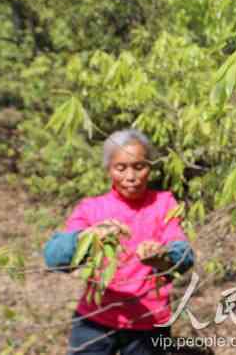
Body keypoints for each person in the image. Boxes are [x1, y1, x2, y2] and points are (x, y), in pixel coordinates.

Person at [43, 129, 195, 355]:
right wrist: (88, 238)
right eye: (121, 168)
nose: (131, 177)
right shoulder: (92, 208)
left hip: (149, 321)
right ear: (109, 170)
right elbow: (55, 257)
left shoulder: (164, 203)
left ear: (150, 167)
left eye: (139, 166)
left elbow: (183, 255)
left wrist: (162, 255)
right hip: (95, 319)